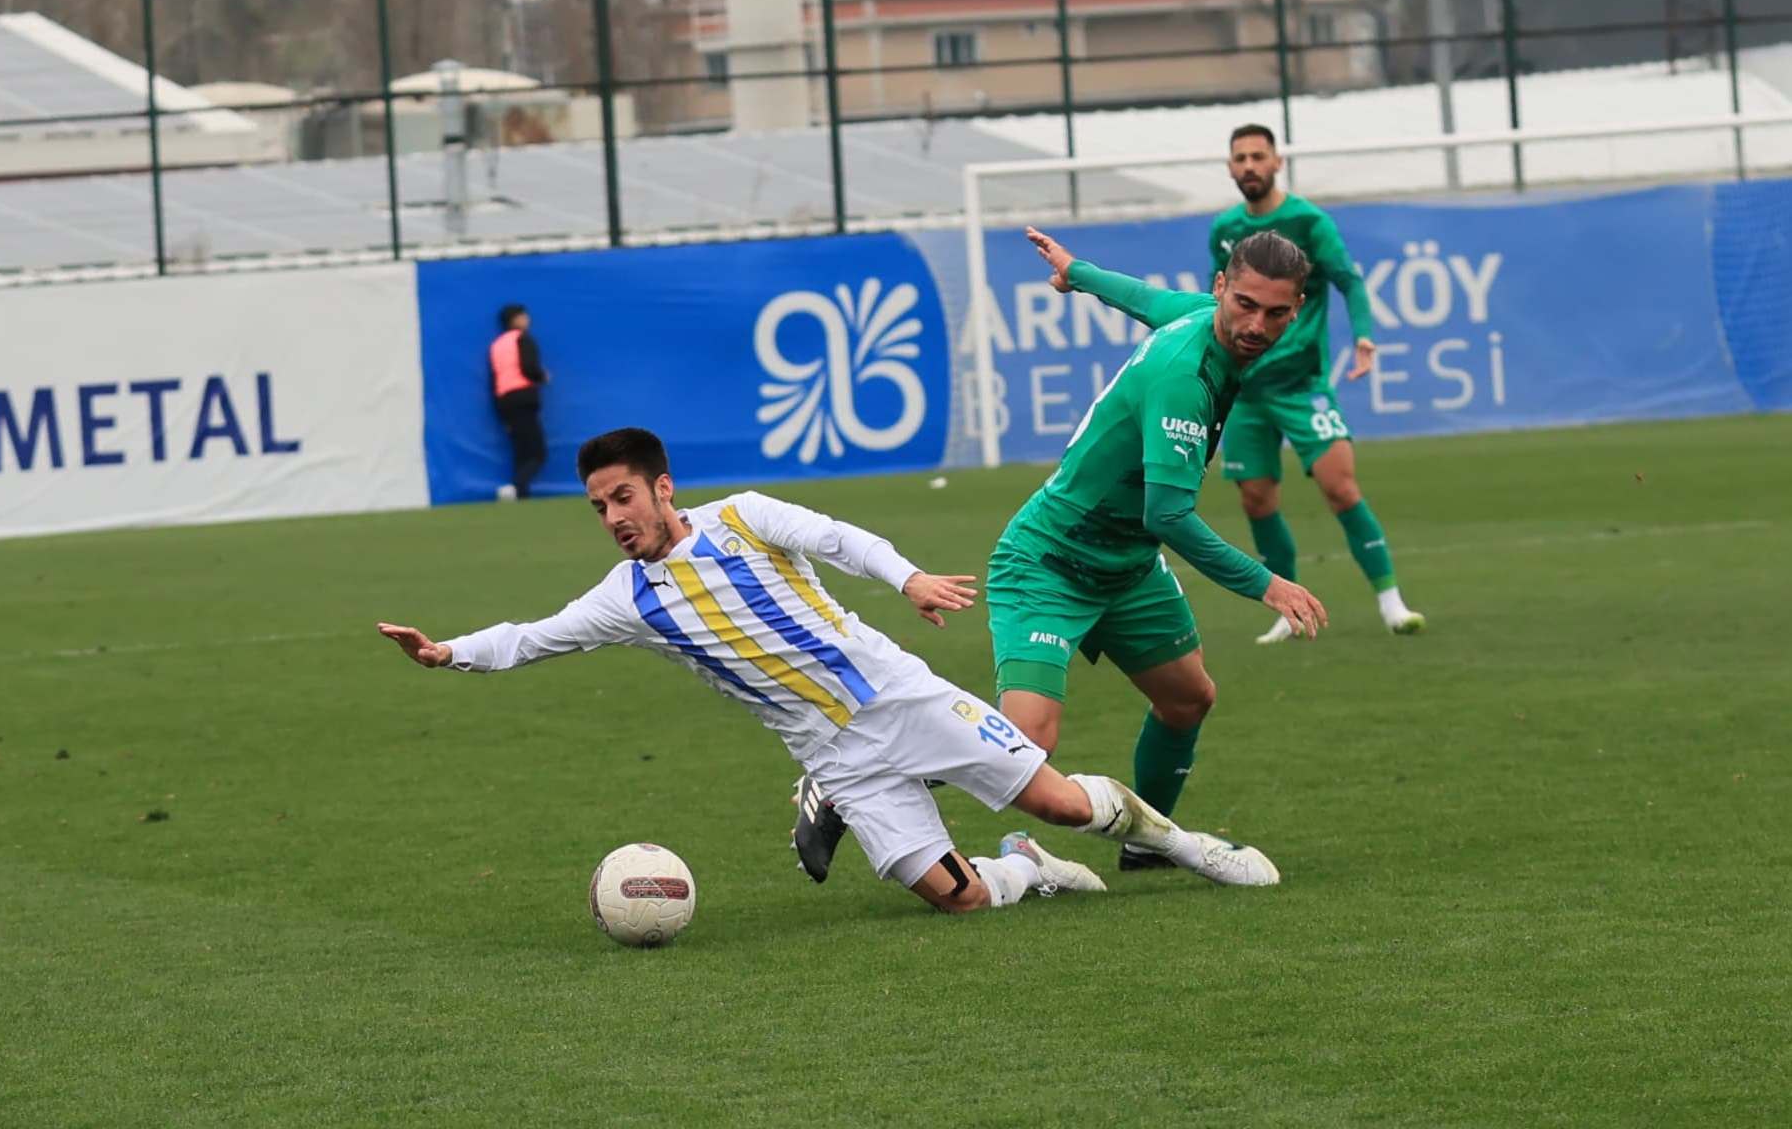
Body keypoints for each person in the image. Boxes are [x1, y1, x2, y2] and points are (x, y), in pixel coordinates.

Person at [378, 427, 1281, 919]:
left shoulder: (741, 517)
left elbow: (836, 539)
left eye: (622, 497)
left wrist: (909, 578)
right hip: (835, 753)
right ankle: (1026, 873)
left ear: (661, 487)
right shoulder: (628, 598)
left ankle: (1183, 845)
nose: (613, 516)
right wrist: (446, 651)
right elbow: (532, 636)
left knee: (1055, 799)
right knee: (957, 900)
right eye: (598, 506)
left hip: (898, 696)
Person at [793, 230, 1325, 885]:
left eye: (1274, 313)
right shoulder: (1182, 379)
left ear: (1294, 308)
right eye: (1244, 304)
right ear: (1221, 288)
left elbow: (1147, 299)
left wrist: (1081, 273)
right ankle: (842, 780)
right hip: (1047, 562)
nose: (1255, 324)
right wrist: (1264, 583)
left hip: (1127, 566)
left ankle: (1149, 838)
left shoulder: (1200, 315)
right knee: (1027, 748)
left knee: (1188, 700)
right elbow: (1168, 515)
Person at [1213, 125, 1425, 643]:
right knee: (1256, 501)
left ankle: (1391, 601)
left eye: (1257, 156)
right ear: (1230, 167)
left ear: (1277, 162)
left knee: (1341, 486)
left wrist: (1365, 338)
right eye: (1240, 157)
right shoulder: (1223, 228)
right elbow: (1221, 300)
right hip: (1245, 391)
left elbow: (1348, 281)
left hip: (1302, 384)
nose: (1249, 166)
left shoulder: (1308, 222)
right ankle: (1288, 610)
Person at [490, 303, 548, 501]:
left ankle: (521, 496)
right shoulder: (523, 338)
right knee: (538, 453)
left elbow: (494, 380)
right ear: (515, 319)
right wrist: (542, 377)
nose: (527, 320)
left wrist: (500, 411)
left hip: (505, 401)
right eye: (524, 316)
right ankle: (516, 487)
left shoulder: (497, 345)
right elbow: (529, 367)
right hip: (523, 397)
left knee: (521, 451)